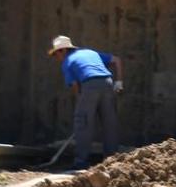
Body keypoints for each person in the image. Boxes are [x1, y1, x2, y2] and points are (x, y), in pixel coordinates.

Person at [48, 35, 123, 167]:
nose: (56, 57)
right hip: (108, 82)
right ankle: (112, 161)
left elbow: (75, 86)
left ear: (63, 50)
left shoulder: (67, 61)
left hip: (90, 84)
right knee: (109, 122)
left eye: (56, 54)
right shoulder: (90, 52)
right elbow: (117, 60)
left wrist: (80, 103)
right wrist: (119, 82)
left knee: (82, 122)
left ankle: (81, 161)